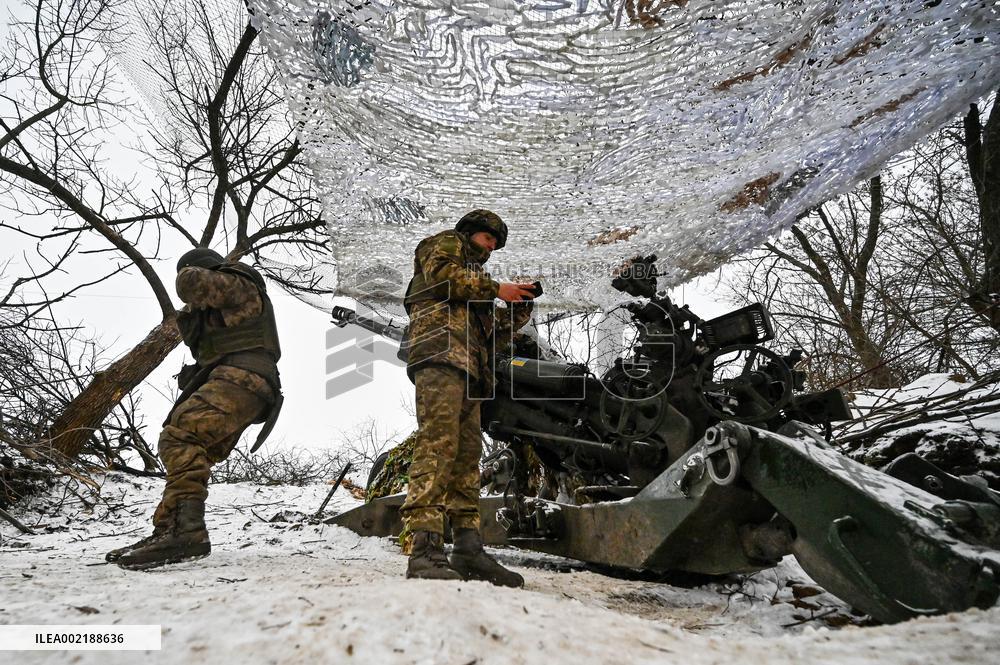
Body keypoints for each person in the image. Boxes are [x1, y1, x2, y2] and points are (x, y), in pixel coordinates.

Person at [107, 249, 282, 570]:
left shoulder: (240, 285)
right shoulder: (222, 306)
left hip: (244, 379)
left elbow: (194, 284)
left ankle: (186, 532)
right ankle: (168, 529)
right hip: (245, 382)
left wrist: (187, 273)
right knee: (187, 450)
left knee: (180, 439)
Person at [400, 209, 536, 586]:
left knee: (466, 458)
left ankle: (467, 547)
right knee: (438, 445)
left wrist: (518, 308)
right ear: (469, 232)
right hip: (440, 355)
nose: (491, 247)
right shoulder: (442, 245)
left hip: (472, 369)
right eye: (487, 239)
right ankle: (424, 549)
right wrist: (497, 289)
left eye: (495, 244)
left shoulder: (477, 283)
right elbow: (444, 276)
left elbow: (493, 333)